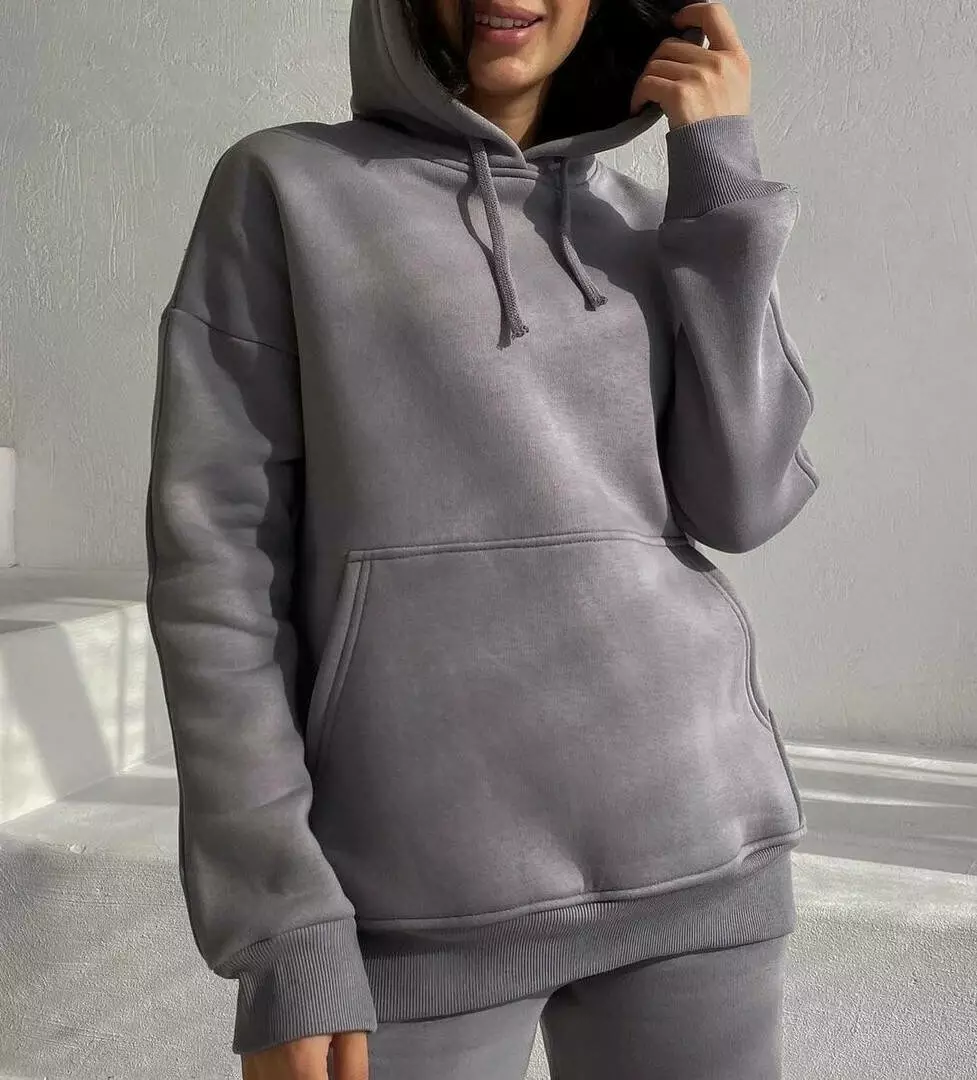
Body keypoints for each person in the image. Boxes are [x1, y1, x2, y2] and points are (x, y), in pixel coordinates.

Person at [144, 0, 820, 1076]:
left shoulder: (655, 224)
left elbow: (743, 499)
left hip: (704, 864)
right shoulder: (285, 187)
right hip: (412, 905)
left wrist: (721, 183)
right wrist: (280, 931)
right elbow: (216, 572)